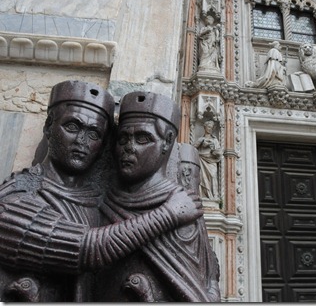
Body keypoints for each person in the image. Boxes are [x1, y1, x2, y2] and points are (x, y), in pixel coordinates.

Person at [0, 81, 203, 302]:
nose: (82, 141)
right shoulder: (17, 196)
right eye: (72, 127)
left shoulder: (96, 201)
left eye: (94, 134)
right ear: (49, 126)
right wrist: (169, 214)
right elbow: (87, 248)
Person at [95, 91, 221, 302]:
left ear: (167, 141)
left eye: (142, 138)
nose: (129, 148)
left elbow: (207, 278)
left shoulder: (185, 206)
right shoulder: (103, 200)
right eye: (123, 139)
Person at [193, 120, 223, 200]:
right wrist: (201, 143)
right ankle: (203, 195)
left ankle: (214, 196)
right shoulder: (201, 139)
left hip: (211, 161)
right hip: (202, 160)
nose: (210, 129)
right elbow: (192, 149)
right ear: (205, 127)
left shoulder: (215, 140)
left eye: (212, 128)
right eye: (209, 127)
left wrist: (213, 149)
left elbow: (219, 153)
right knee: (202, 178)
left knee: (213, 176)